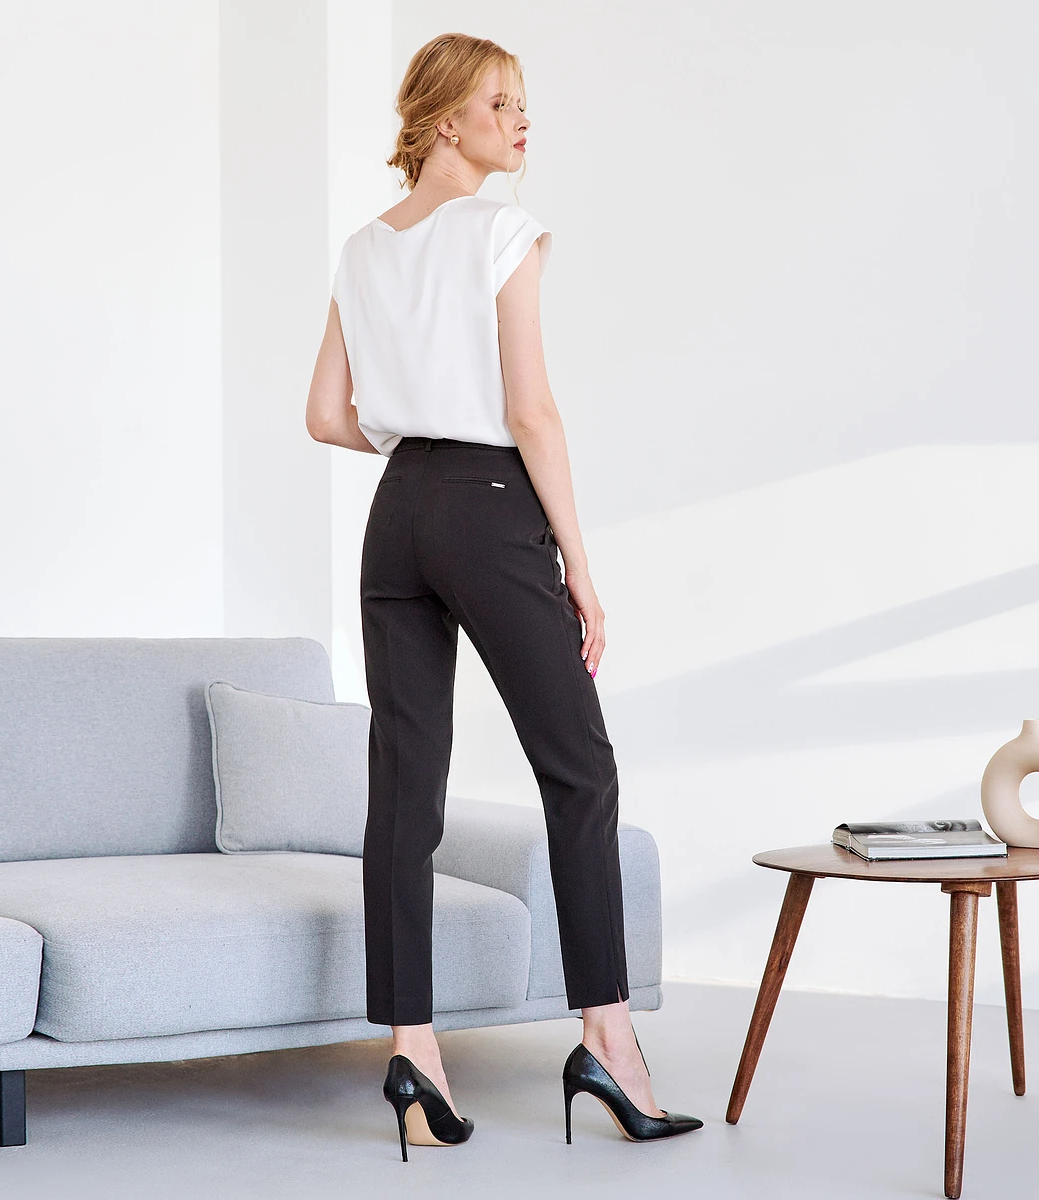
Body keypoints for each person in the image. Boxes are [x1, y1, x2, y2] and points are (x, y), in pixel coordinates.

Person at [305, 32, 702, 1159]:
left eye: (522, 103)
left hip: (397, 513)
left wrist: (414, 437)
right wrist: (579, 564)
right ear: (446, 122)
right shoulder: (500, 231)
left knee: (404, 789)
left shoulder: (362, 250)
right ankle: (609, 1043)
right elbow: (532, 412)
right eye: (499, 103)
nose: (522, 121)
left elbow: (326, 416)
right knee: (580, 767)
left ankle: (412, 1055)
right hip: (488, 502)